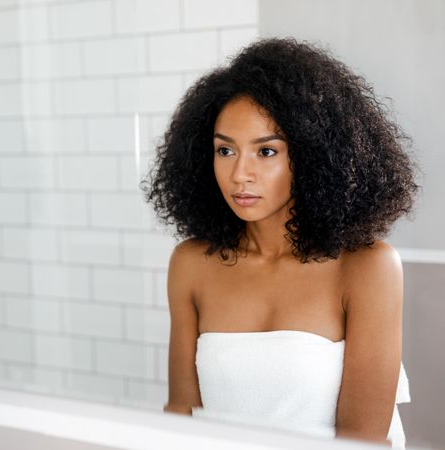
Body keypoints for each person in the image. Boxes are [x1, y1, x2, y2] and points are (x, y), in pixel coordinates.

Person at [141, 37, 418, 449]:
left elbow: (362, 440)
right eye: (224, 150)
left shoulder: (366, 266)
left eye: (266, 151)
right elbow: (182, 415)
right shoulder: (192, 263)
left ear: (311, 155)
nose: (239, 175)